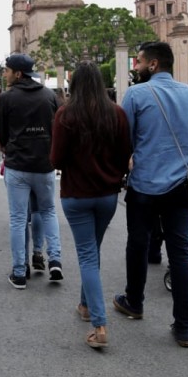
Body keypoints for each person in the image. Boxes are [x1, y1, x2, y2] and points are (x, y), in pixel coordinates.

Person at [114, 42, 188, 348]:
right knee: (180, 252)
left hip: (144, 184)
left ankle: (134, 301)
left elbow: (124, 141)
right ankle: (184, 327)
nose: (135, 66)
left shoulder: (137, 95)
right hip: (183, 184)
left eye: (138, 62)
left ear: (152, 65)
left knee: (138, 244)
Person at [50, 61, 131, 349]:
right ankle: (85, 306)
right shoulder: (117, 113)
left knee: (87, 256)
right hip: (108, 194)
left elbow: (56, 160)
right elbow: (125, 155)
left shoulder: (66, 114)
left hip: (76, 194)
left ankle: (99, 324)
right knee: (91, 251)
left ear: (74, 84)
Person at [0, 53, 62, 289]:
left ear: (18, 73)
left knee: (18, 218)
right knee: (48, 211)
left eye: (7, 70)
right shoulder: (49, 95)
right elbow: (58, 127)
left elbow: (1, 132)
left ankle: (19, 271)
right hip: (44, 164)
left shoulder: (7, 97)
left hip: (18, 164)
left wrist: (10, 146)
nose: (5, 73)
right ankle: (54, 259)